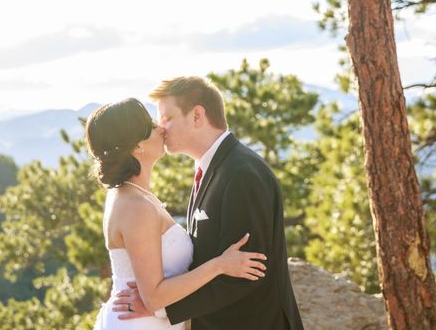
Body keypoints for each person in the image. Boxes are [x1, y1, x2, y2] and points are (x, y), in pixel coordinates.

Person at [112, 77, 304, 330]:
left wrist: (161, 307)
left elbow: (250, 271)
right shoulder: (211, 168)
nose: (161, 128)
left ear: (197, 116)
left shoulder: (241, 173)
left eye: (167, 118)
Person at [87, 97, 268, 330]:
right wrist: (220, 265)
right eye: (151, 126)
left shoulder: (133, 196)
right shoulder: (136, 207)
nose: (161, 128)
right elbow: (154, 298)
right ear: (136, 146)